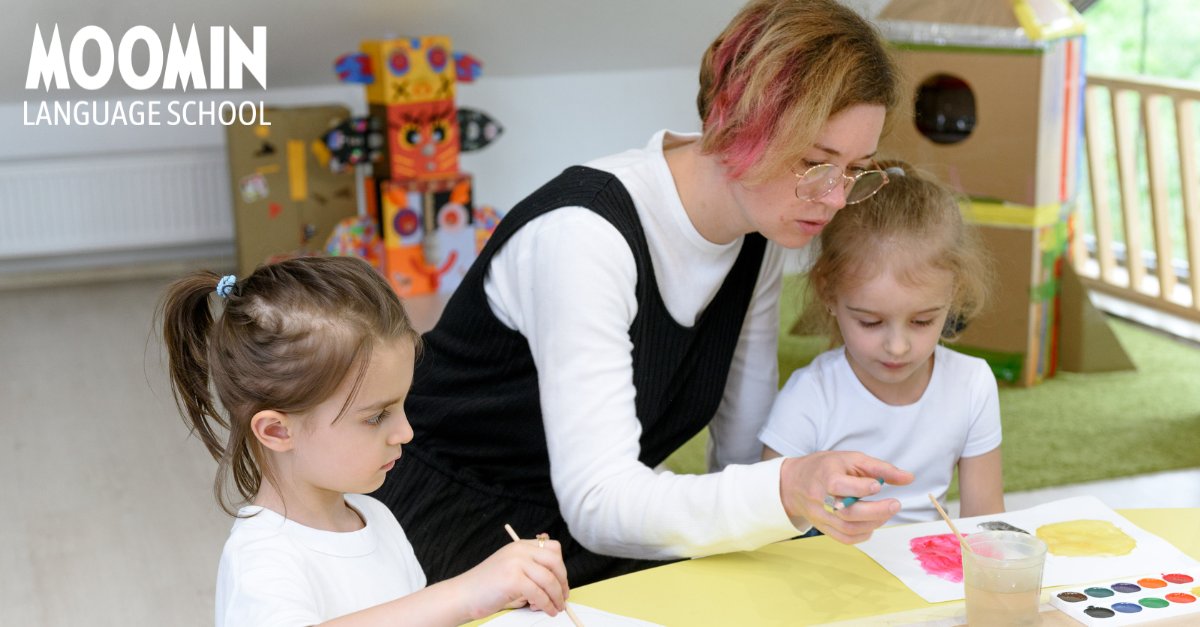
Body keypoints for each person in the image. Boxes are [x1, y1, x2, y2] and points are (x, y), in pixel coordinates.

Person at [375, 0, 915, 586]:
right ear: (737, 124)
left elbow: (738, 450)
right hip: (450, 529)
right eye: (815, 163)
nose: (835, 200)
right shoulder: (584, 237)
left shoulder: (760, 229)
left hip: (578, 533)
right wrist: (783, 491)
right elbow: (602, 503)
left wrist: (792, 500)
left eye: (856, 169)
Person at [159, 256, 571, 626]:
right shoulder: (262, 556)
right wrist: (466, 594)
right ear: (277, 431)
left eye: (403, 405)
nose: (407, 432)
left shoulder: (376, 517)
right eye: (376, 416)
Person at [760, 160, 1004, 525]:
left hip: (927, 571)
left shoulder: (972, 384)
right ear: (828, 291)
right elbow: (768, 519)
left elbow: (985, 524)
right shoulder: (810, 395)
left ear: (955, 292)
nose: (898, 346)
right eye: (870, 322)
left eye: (922, 321)